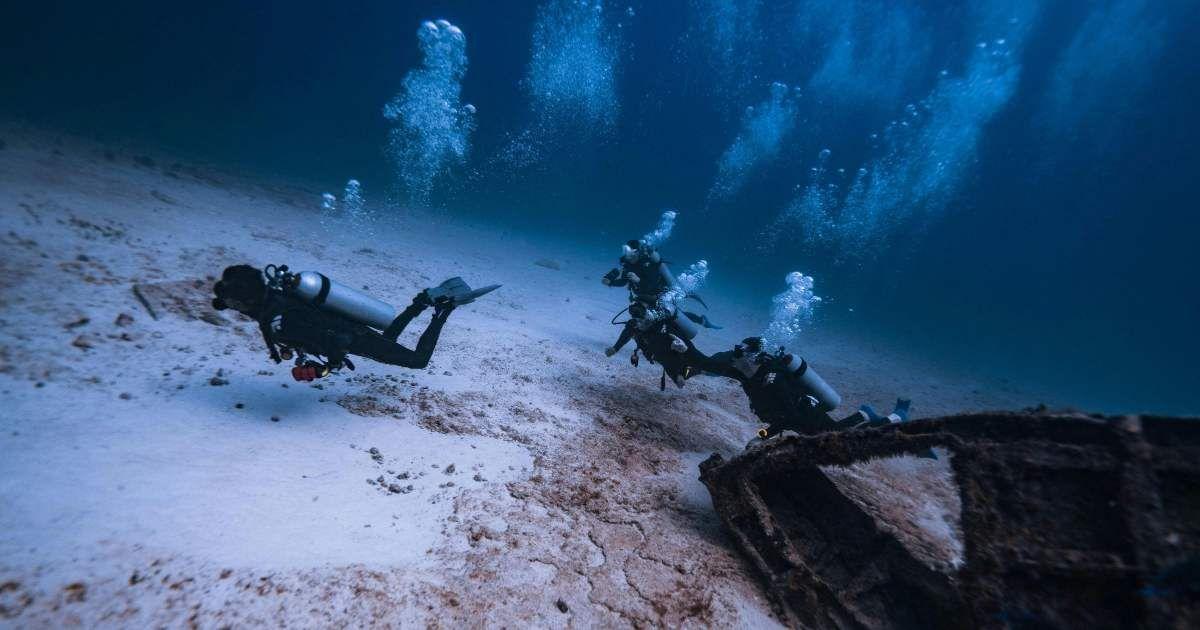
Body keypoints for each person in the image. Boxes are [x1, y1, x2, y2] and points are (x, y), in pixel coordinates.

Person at [212, 264, 492, 380]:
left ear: (247, 300)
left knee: (418, 361)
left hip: (348, 335)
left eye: (235, 304)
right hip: (346, 326)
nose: (233, 308)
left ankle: (443, 310)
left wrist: (324, 369)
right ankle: (420, 303)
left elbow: (335, 343)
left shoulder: (278, 320)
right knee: (386, 342)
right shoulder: (273, 297)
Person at [704, 337, 912, 439]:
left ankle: (892, 417)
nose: (736, 356)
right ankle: (865, 415)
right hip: (798, 418)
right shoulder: (750, 374)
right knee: (831, 435)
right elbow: (717, 364)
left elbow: (788, 418)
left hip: (807, 414)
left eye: (742, 353)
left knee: (838, 436)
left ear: (754, 357)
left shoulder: (772, 379)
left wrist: (763, 435)